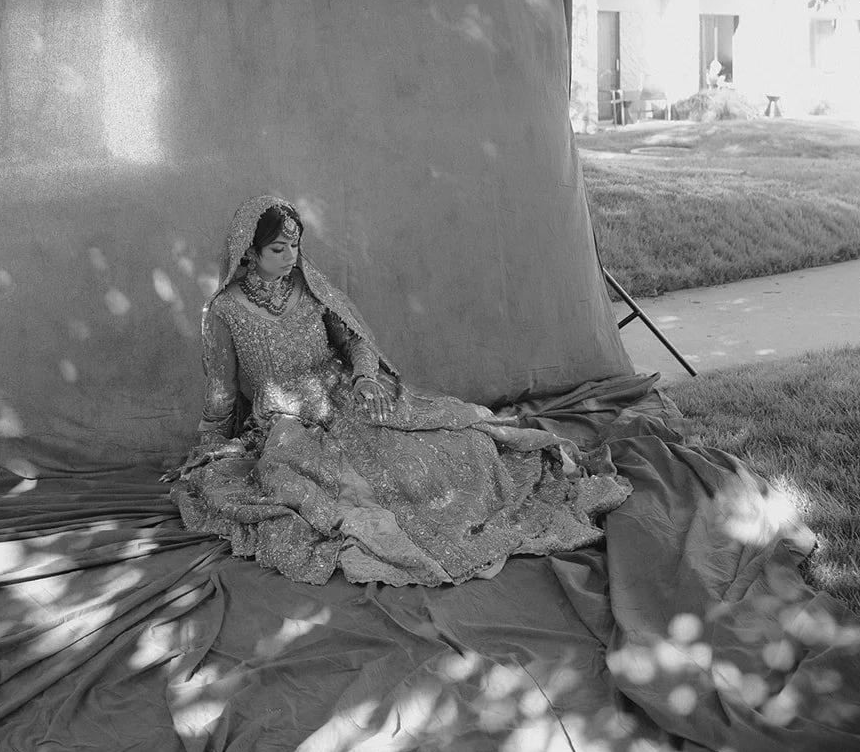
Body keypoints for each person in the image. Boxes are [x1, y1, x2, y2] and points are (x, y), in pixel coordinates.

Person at [167, 194, 631, 586]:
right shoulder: (226, 312)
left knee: (455, 446)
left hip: (346, 396)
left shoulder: (308, 287)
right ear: (248, 252)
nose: (291, 258)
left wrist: (365, 375)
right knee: (350, 492)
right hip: (290, 425)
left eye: (295, 245)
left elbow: (352, 340)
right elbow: (223, 391)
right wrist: (210, 445)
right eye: (278, 249)